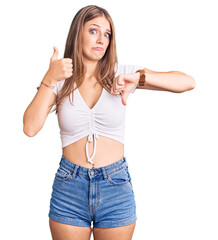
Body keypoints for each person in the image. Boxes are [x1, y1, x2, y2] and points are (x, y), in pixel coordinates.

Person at [23, 4, 196, 240]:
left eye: (107, 34)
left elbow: (187, 82)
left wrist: (138, 79)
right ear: (77, 34)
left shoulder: (121, 74)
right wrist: (49, 77)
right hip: (69, 187)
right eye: (93, 30)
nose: (101, 40)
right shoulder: (60, 79)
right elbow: (30, 128)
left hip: (115, 185)